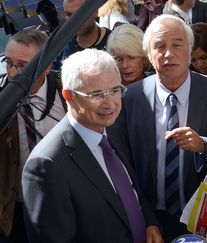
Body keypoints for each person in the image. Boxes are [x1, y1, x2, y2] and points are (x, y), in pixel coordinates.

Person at [22, 49, 163, 243]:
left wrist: (150, 222)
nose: (110, 104)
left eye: (115, 90)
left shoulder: (110, 128)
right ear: (68, 96)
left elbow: (131, 189)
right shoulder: (46, 165)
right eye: (96, 94)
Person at [117, 14, 207, 241]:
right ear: (149, 56)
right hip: (149, 218)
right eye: (159, 46)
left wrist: (204, 146)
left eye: (177, 45)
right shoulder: (129, 99)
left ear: (190, 50)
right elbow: (125, 166)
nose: (168, 54)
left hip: (204, 219)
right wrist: (147, 218)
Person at [0, 29, 66, 243]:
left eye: (22, 65)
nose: (13, 72)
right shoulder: (2, 98)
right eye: (9, 62)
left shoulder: (67, 93)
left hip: (62, 204)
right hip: (13, 209)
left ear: (46, 66)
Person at [53, 0, 111, 71]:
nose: (75, 20)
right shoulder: (61, 46)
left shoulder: (114, 42)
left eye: (81, 13)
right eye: (69, 14)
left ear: (96, 11)